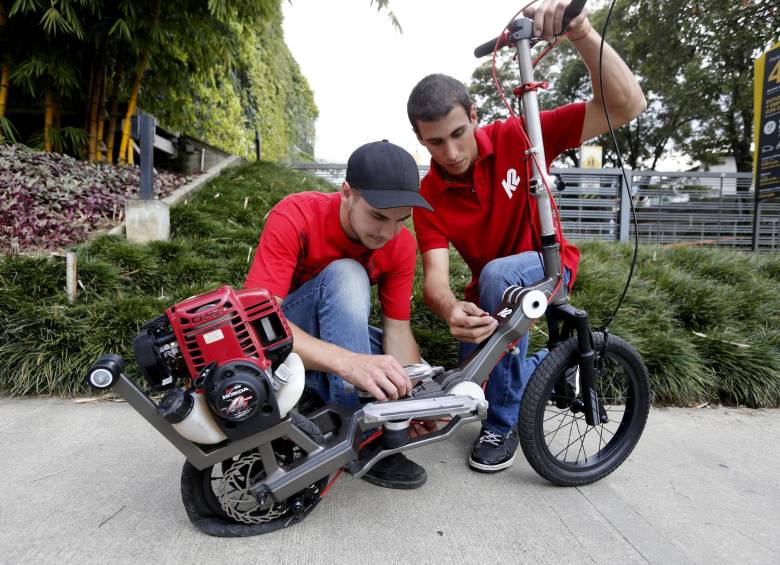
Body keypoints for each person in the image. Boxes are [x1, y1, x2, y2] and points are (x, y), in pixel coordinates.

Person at [406, 1, 646, 473]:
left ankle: (503, 423)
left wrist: (581, 32)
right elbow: (434, 280)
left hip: (548, 266)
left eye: (458, 133)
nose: (451, 152)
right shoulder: (427, 195)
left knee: (498, 281)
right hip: (491, 296)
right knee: (471, 379)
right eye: (436, 142)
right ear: (418, 138)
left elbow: (627, 105)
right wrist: (451, 308)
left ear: (474, 114)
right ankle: (550, 374)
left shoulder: (523, 134)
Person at [244, 140, 433, 489]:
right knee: (347, 273)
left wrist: (413, 402)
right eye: (378, 216)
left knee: (391, 360)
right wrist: (348, 362)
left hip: (331, 344)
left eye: (400, 221)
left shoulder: (399, 244)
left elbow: (398, 333)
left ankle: (330, 408)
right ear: (347, 193)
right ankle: (355, 433)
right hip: (278, 345)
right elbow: (256, 322)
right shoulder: (296, 214)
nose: (387, 233)